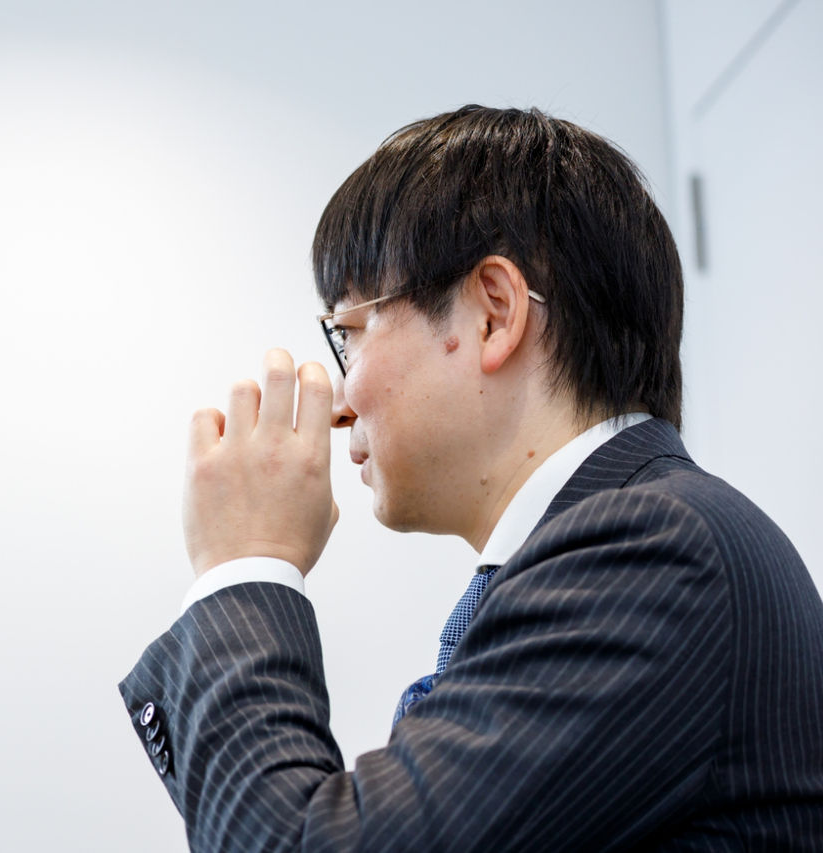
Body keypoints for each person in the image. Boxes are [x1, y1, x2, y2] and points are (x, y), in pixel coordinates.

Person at [118, 105, 823, 850]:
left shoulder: (656, 549)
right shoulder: (630, 545)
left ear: (494, 312)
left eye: (348, 334)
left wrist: (245, 564)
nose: (340, 402)